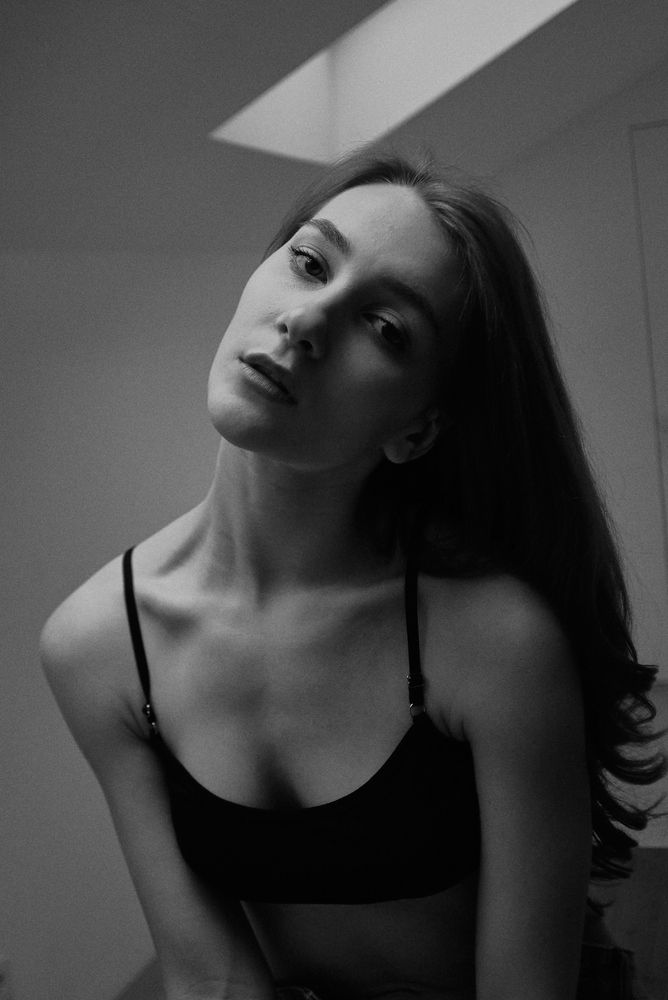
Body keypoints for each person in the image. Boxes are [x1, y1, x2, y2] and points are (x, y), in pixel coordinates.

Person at [40, 148, 665, 1000]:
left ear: (418, 429)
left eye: (386, 328)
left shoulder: (491, 642)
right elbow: (210, 976)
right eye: (309, 262)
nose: (306, 320)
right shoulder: (98, 646)